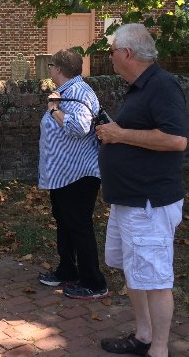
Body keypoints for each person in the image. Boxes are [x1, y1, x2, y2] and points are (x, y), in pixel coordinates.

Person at [96, 24, 187, 357]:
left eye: (111, 51)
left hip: (149, 203)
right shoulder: (137, 87)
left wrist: (119, 136)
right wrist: (112, 135)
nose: (110, 58)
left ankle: (159, 349)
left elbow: (177, 140)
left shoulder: (163, 86)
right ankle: (144, 336)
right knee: (135, 270)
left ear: (127, 54)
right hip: (128, 200)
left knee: (156, 276)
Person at [37, 49, 108, 299]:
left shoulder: (78, 93)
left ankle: (94, 282)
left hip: (78, 175)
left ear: (58, 69)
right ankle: (67, 270)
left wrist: (55, 109)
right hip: (63, 174)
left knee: (79, 226)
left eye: (52, 66)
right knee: (65, 222)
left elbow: (79, 127)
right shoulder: (69, 91)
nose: (50, 69)